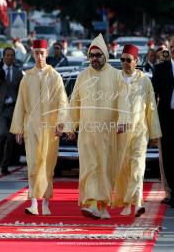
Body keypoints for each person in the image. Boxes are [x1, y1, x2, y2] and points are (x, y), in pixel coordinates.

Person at [10, 39, 69, 215]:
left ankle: (46, 203)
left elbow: (63, 102)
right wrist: (19, 129)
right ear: (33, 54)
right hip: (32, 127)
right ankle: (34, 203)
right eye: (36, 53)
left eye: (42, 53)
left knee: (48, 166)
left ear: (47, 54)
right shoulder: (27, 78)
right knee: (34, 164)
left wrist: (61, 124)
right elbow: (20, 104)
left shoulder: (55, 76)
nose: (39, 56)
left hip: (50, 129)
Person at [69, 33, 121, 219]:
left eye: (98, 55)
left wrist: (123, 121)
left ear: (105, 55)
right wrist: (69, 126)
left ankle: (102, 205)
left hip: (108, 133)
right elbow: (74, 103)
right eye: (92, 55)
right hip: (87, 133)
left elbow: (124, 102)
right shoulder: (82, 76)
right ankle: (90, 203)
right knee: (89, 167)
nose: (95, 59)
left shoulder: (116, 76)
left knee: (106, 170)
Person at [112, 44, 161, 217]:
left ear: (136, 61)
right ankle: (127, 203)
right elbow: (110, 108)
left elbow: (151, 108)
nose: (125, 63)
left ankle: (138, 202)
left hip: (140, 131)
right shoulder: (115, 80)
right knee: (123, 169)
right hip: (120, 133)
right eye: (122, 60)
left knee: (138, 167)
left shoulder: (145, 81)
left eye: (128, 60)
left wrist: (155, 134)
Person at [152, 36, 174, 208]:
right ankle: (171, 191)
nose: (173, 49)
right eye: (172, 46)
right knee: (167, 155)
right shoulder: (160, 68)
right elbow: (153, 95)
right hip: (166, 118)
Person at [0, 47, 23, 175]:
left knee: (10, 138)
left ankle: (4, 165)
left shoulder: (18, 73)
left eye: (12, 55)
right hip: (1, 111)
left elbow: (22, 92)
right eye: (7, 55)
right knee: (2, 134)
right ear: (3, 57)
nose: (10, 57)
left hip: (14, 110)